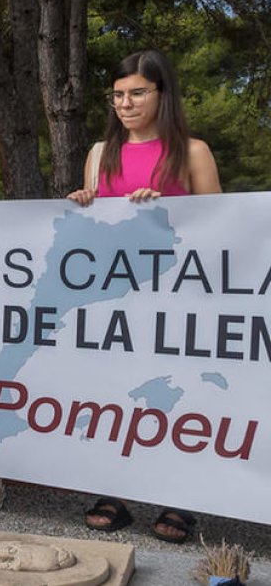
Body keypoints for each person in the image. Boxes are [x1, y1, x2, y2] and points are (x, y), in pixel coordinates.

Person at [69, 49, 220, 543]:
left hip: (178, 296)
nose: (125, 103)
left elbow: (223, 227)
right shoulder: (99, 153)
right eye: (117, 95)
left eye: (137, 92)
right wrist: (84, 204)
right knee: (117, 394)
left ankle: (178, 500)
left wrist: (171, 210)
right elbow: (92, 232)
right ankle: (114, 491)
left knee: (176, 396)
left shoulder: (191, 151)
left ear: (162, 94)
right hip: (116, 298)